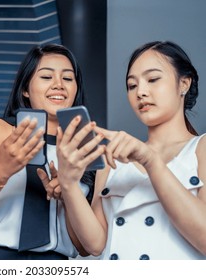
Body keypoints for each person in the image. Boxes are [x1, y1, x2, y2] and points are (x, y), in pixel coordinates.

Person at [57, 41, 206, 259]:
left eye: (153, 79)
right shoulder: (111, 157)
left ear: (183, 83)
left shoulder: (200, 148)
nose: (141, 92)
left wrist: (151, 161)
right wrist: (68, 184)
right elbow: (95, 244)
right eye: (132, 85)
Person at [0, 43, 103, 260]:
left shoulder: (86, 148)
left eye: (68, 78)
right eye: (46, 77)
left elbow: (84, 247)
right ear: (25, 88)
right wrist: (1, 170)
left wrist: (68, 195)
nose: (58, 85)